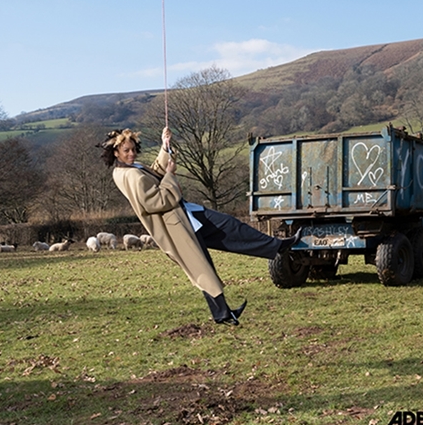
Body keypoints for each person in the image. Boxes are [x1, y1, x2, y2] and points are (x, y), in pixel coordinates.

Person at [100, 127, 297, 325]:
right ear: (116, 152)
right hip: (175, 224)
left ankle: (274, 249)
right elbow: (154, 202)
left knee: (222, 237)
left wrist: (165, 145)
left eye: (133, 149)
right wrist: (170, 176)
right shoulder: (129, 175)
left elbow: (156, 173)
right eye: (126, 150)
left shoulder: (132, 168)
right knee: (202, 264)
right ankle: (224, 313)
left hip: (184, 215)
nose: (131, 153)